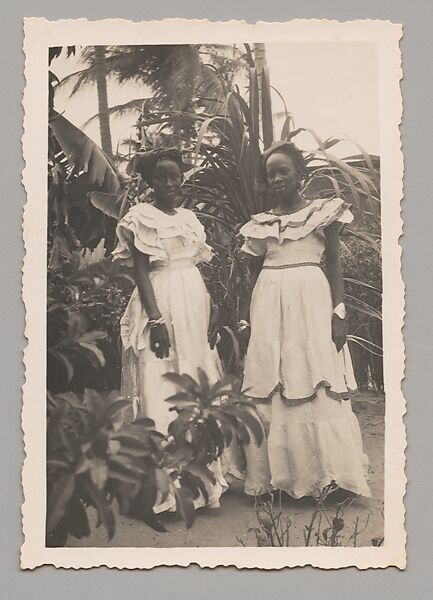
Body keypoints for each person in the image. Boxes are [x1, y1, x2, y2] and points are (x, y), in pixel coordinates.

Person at [238, 141, 371, 500]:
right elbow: (253, 274)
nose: (277, 178)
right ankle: (275, 480)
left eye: (284, 171)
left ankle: (327, 477)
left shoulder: (323, 214)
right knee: (275, 378)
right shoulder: (261, 225)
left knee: (313, 376)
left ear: (301, 175)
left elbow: (334, 267)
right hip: (269, 307)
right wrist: (249, 320)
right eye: (271, 174)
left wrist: (339, 313)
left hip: (311, 305)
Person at [112, 147, 227, 512]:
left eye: (174, 175)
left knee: (193, 377)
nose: (169, 183)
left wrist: (213, 309)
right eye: (161, 177)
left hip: (193, 300)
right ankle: (163, 490)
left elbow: (198, 266)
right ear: (149, 181)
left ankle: (201, 482)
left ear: (181, 178)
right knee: (160, 380)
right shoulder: (140, 217)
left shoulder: (190, 219)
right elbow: (141, 271)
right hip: (159, 299)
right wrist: (155, 320)